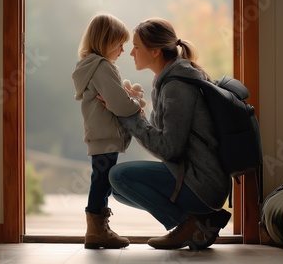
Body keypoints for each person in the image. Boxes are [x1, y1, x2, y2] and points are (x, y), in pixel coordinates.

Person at [108, 18, 232, 250]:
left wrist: (128, 116)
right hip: (195, 177)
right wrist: (135, 111)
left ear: (154, 51)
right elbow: (164, 139)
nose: (131, 53)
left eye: (136, 47)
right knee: (117, 189)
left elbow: (169, 149)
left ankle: (188, 225)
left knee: (119, 176)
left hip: (202, 183)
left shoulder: (178, 86)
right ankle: (202, 222)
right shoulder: (168, 80)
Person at [71, 13, 141, 249]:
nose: (123, 51)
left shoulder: (89, 66)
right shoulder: (103, 67)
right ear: (106, 42)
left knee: (100, 180)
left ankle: (97, 229)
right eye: (120, 44)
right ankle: (97, 230)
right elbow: (120, 104)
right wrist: (138, 105)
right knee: (101, 181)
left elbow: (114, 99)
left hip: (99, 134)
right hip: (107, 135)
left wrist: (122, 98)